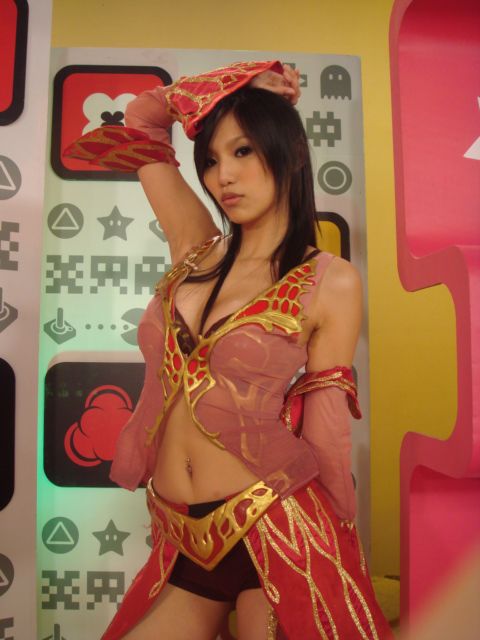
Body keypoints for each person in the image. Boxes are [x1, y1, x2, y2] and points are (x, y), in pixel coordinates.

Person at [65, 60, 393, 639]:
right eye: (212, 160)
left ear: (291, 153)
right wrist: (238, 83)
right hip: (181, 533)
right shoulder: (195, 245)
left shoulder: (330, 279)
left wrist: (340, 529)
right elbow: (142, 119)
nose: (224, 176)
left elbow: (326, 419)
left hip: (275, 526)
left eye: (243, 151)